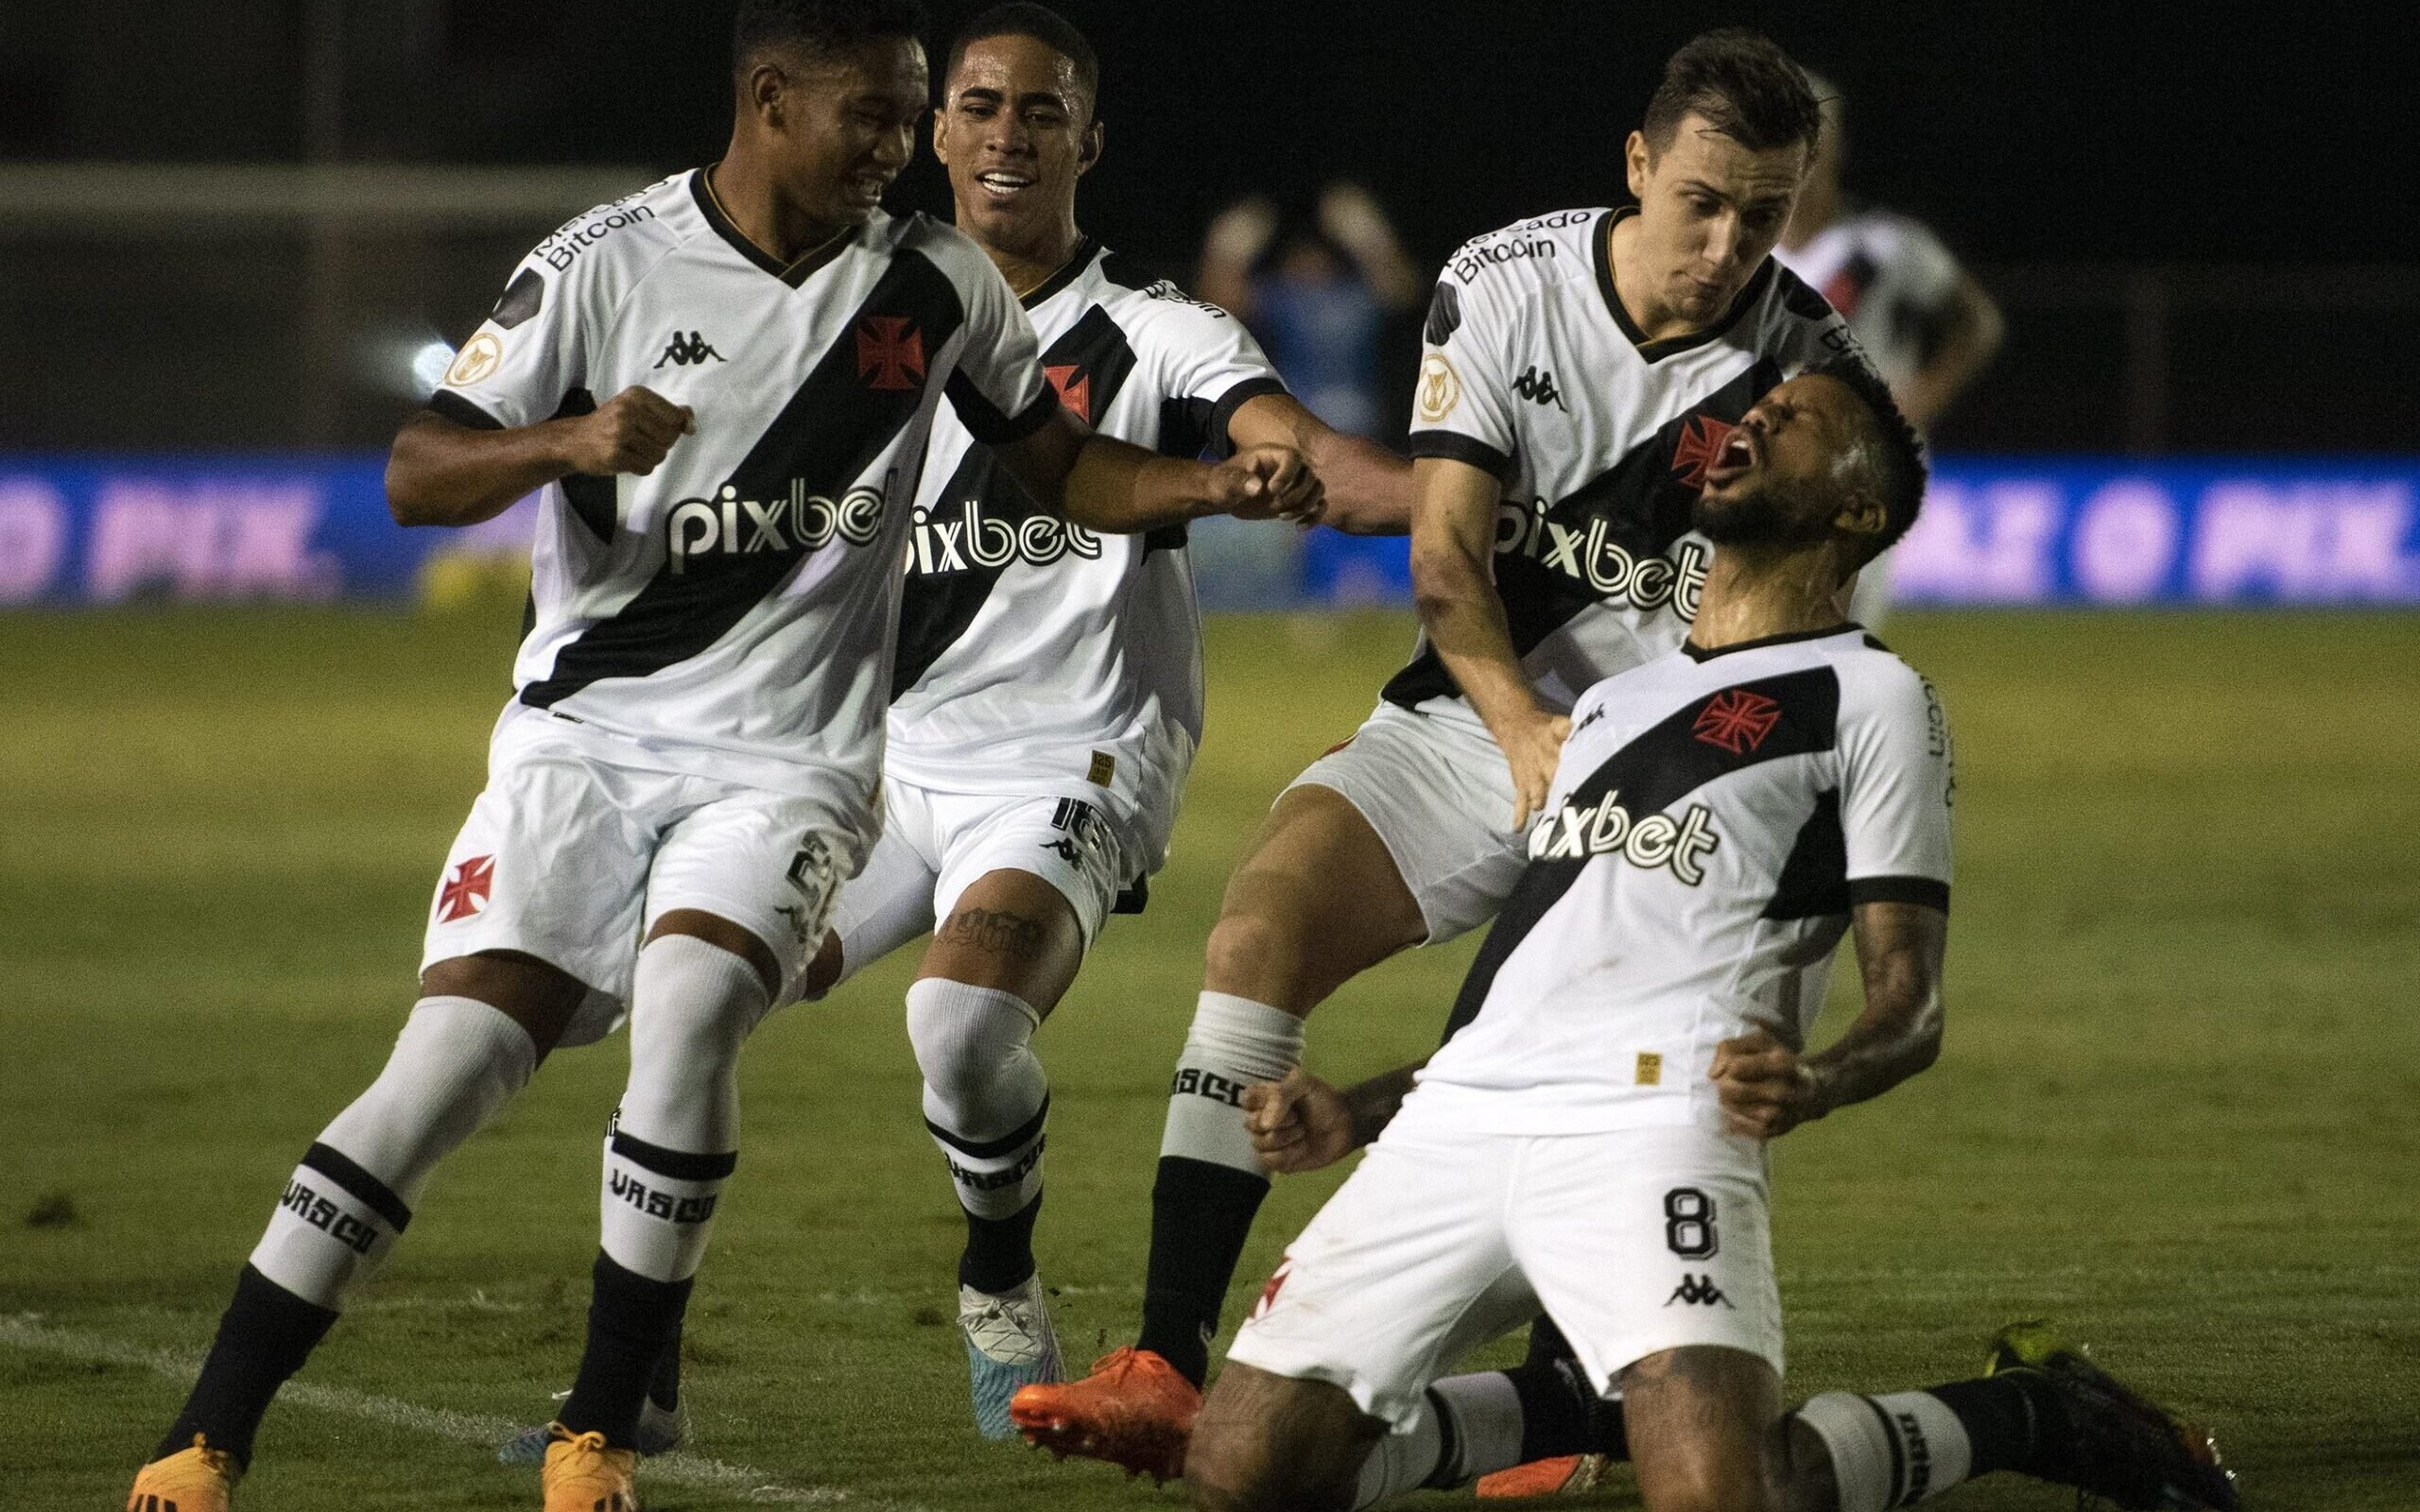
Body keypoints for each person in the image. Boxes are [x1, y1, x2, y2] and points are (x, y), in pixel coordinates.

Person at [120, 3, 1323, 1509]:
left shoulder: (935, 284)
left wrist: (1210, 481)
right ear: (769, 102)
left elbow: (1063, 464)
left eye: (911, 117)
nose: (905, 152)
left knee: (692, 1009)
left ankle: (602, 1431)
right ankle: (206, 1439)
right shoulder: (600, 263)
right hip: (581, 743)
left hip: (791, 764)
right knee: (447, 1066)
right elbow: (419, 471)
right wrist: (559, 447)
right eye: (880, 118)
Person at [491, 3, 1410, 1455]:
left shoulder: (1156, 334)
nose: (1006, 134)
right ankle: (638, 1379)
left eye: (1042, 111)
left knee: (962, 1021)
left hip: (1070, 762)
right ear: (935, 129)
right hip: (865, 762)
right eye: (979, 105)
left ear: (1087, 142)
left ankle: (996, 1276)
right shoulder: (862, 307)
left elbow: (1291, 439)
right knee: (689, 1001)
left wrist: (1390, 490)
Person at [1013, 28, 1870, 1476]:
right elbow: (1448, 559)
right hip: (1482, 709)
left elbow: (1787, 667)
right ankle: (1164, 1358)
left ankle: (1559, 1386)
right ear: (1639, 167)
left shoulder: (1810, 381)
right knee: (1256, 935)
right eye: (1704, 203)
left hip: (1666, 786)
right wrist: (1527, 725)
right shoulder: (1507, 281)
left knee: (1532, 1060)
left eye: (1767, 214)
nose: (1730, 246)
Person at [1183, 361, 2238, 1512]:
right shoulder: (1601, 709)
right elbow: (1538, 987)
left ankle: (2036, 1412)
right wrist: (1362, 1108)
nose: (1755, 425)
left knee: (1731, 1496)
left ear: (1859, 512)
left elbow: (1910, 1004)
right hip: (1462, 1117)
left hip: (1659, 1119)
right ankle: (1573, 1407)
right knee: (1242, 1470)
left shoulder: (1869, 698)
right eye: (1760, 410)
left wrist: (1818, 1079)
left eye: (1797, 428)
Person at [1773, 76, 2003, 627]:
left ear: (1837, 148)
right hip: (1769, 458)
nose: (1805, 153)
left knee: (1843, 631)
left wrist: (1922, 398)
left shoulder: (1885, 245)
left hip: (1866, 460)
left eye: (1817, 137)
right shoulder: (1744, 252)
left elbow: (1979, 322)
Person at [1196, 183, 1425, 439]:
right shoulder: (1283, 298)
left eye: (1316, 253)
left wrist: (1369, 235)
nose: (1308, 261)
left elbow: (1403, 290)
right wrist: (1226, 251)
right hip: (1297, 427)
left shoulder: (1354, 297)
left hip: (1364, 430)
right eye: (1298, 254)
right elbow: (1218, 305)